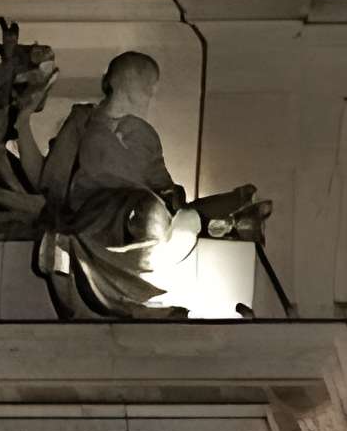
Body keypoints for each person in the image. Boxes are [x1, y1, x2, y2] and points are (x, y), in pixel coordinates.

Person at [22, 53, 269, 319]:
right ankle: (135, 292)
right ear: (126, 83)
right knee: (151, 214)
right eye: (147, 86)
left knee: (157, 213)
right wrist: (22, 121)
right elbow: (49, 179)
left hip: (140, 209)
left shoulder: (145, 134)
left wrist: (171, 196)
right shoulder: (83, 121)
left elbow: (161, 181)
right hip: (95, 212)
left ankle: (230, 215)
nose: (150, 94)